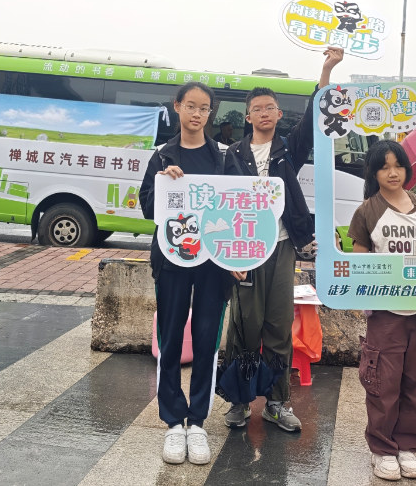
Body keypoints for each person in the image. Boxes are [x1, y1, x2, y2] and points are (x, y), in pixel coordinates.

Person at [222, 47, 343, 433]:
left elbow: (313, 117)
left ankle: (276, 403)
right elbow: (217, 202)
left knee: (278, 326)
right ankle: (240, 401)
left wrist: (326, 70)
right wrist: (228, 257)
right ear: (247, 116)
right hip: (244, 250)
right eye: (257, 108)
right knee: (244, 326)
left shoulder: (288, 148)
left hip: (283, 245)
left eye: (270, 108)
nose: (264, 113)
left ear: (277, 114)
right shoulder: (232, 155)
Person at [139, 82, 235, 467]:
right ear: (177, 107)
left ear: (211, 113)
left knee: (207, 339)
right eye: (190, 106)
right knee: (171, 337)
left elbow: (235, 206)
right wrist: (165, 182)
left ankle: (196, 422)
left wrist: (236, 259)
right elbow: (148, 208)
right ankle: (172, 422)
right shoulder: (163, 156)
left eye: (204, 108)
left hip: (213, 263)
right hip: (172, 259)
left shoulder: (224, 157)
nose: (197, 114)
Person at [348, 140, 416, 481]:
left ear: (407, 169)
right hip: (385, 310)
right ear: (373, 173)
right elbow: (359, 260)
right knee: (383, 382)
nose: (392, 173)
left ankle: (409, 447)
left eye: (398, 166)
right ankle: (383, 448)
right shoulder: (367, 211)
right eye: (384, 167)